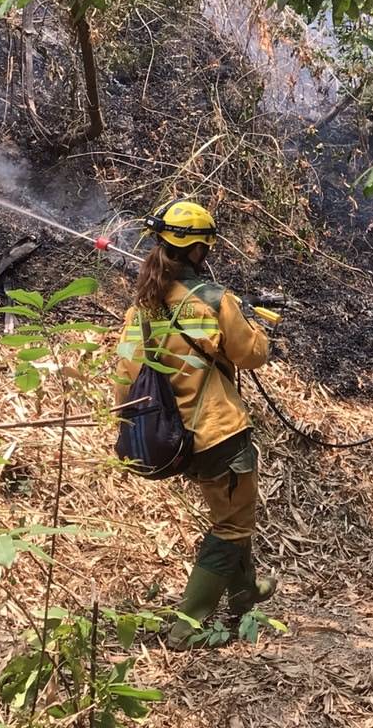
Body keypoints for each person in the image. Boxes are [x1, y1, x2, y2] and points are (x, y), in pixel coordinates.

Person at [112, 199, 273, 648]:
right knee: (232, 525)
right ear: (199, 250)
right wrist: (252, 324)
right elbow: (253, 355)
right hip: (219, 433)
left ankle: (245, 594)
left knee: (232, 513)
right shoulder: (215, 300)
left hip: (174, 437)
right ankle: (188, 627)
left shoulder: (141, 309)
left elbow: (124, 377)